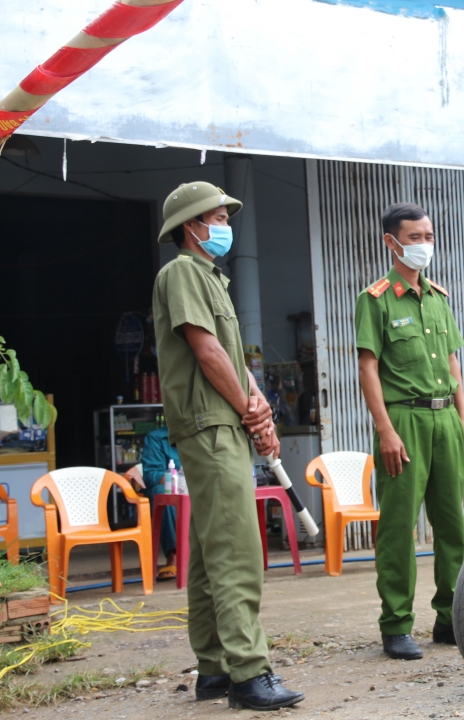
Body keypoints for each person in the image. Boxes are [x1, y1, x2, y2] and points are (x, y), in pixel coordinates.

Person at [152, 181, 304, 710]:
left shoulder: (211, 277)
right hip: (209, 424)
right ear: (191, 226)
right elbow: (205, 348)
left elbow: (232, 356)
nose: (223, 227)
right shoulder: (182, 273)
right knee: (238, 547)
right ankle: (249, 671)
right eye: (216, 217)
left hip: (227, 422)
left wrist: (257, 405)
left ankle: (214, 669)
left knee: (208, 550)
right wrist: (245, 407)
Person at [355, 202, 464, 661]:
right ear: (392, 242)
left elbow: (452, 362)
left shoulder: (438, 298)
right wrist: (385, 430)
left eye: (428, 236)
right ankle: (397, 626)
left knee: (451, 525)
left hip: (445, 418)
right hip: (402, 420)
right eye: (414, 238)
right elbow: (368, 368)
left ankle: (451, 620)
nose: (424, 245)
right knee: (399, 526)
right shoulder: (376, 299)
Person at [140, 426, 179, 580]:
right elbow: (151, 476)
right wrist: (179, 480)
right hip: (172, 487)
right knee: (165, 493)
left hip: (199, 487)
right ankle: (173, 556)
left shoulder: (202, 434)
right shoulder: (156, 438)